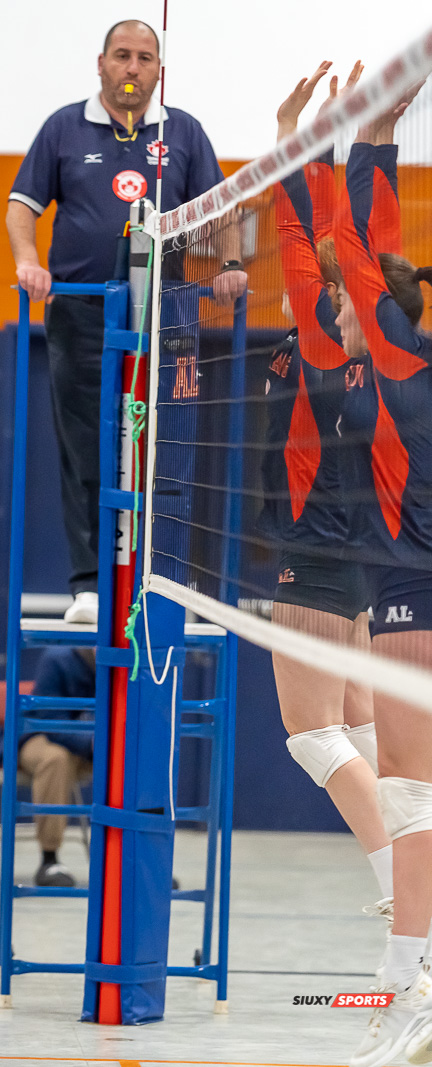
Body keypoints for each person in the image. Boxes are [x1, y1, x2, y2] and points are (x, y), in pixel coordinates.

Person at [7, 18, 247, 624]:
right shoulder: (64, 127)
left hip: (167, 314)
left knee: (169, 446)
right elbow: (21, 207)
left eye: (144, 58)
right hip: (83, 313)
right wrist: (29, 262)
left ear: (158, 70)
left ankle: (165, 581)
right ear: (102, 63)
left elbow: (222, 212)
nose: (133, 67)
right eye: (123, 56)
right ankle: (89, 584)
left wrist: (233, 265)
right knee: (86, 443)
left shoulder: (184, 131)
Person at [264, 62, 390, 918]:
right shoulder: (375, 343)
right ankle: (408, 870)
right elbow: (350, 235)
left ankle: (403, 882)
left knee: (313, 732)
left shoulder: (320, 341)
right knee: (358, 715)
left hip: (313, 550)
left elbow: (312, 237)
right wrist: (359, 135)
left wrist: (290, 144)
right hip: (356, 555)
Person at [325, 88, 432, 1067]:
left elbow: (362, 243)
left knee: (408, 792)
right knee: (411, 788)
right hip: (407, 578)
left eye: (350, 306)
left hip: (415, 585)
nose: (335, 314)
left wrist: (373, 137)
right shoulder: (402, 363)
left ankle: (413, 984)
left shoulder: (397, 357)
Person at [21, 648, 97, 888]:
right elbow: (49, 719)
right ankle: (49, 859)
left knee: (140, 757)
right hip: (40, 735)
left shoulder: (129, 660)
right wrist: (95, 743)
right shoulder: (57, 659)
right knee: (56, 758)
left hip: (93, 745)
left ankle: (141, 861)